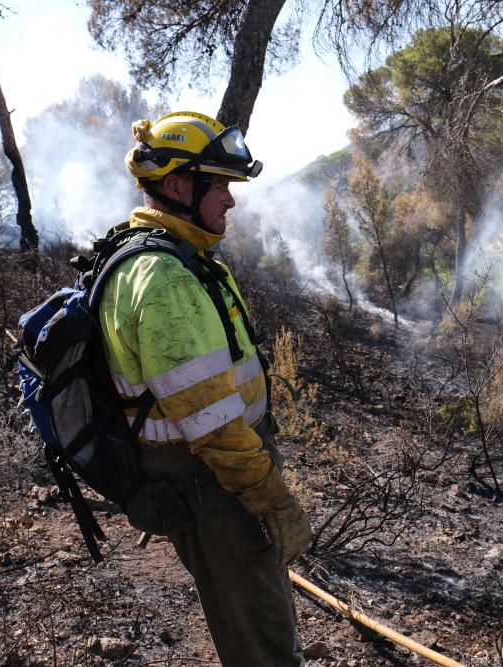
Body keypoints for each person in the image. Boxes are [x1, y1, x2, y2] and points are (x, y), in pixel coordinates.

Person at [99, 110, 311, 666]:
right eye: (217, 184)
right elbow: (212, 422)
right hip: (217, 485)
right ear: (176, 185)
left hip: (212, 478)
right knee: (264, 647)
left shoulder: (174, 258)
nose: (230, 199)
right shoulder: (166, 278)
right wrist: (272, 499)